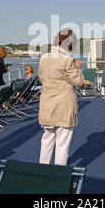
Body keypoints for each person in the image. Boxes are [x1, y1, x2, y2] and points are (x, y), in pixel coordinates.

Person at [38, 28, 86, 166]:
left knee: (46, 139)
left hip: (47, 103)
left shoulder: (44, 58)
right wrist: (78, 68)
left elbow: (42, 78)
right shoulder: (67, 60)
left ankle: (42, 170)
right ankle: (59, 175)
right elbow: (78, 81)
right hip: (64, 104)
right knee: (62, 144)